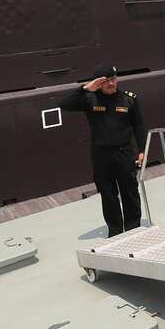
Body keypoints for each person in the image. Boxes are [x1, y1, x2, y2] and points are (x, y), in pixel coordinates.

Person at [59, 63, 145, 237]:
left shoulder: (128, 99)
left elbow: (139, 126)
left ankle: (133, 228)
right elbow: (64, 104)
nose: (111, 83)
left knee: (130, 191)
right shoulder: (90, 99)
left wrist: (142, 150)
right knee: (108, 194)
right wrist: (85, 88)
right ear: (98, 83)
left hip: (124, 152)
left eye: (113, 79)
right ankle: (115, 231)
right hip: (101, 155)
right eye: (106, 81)